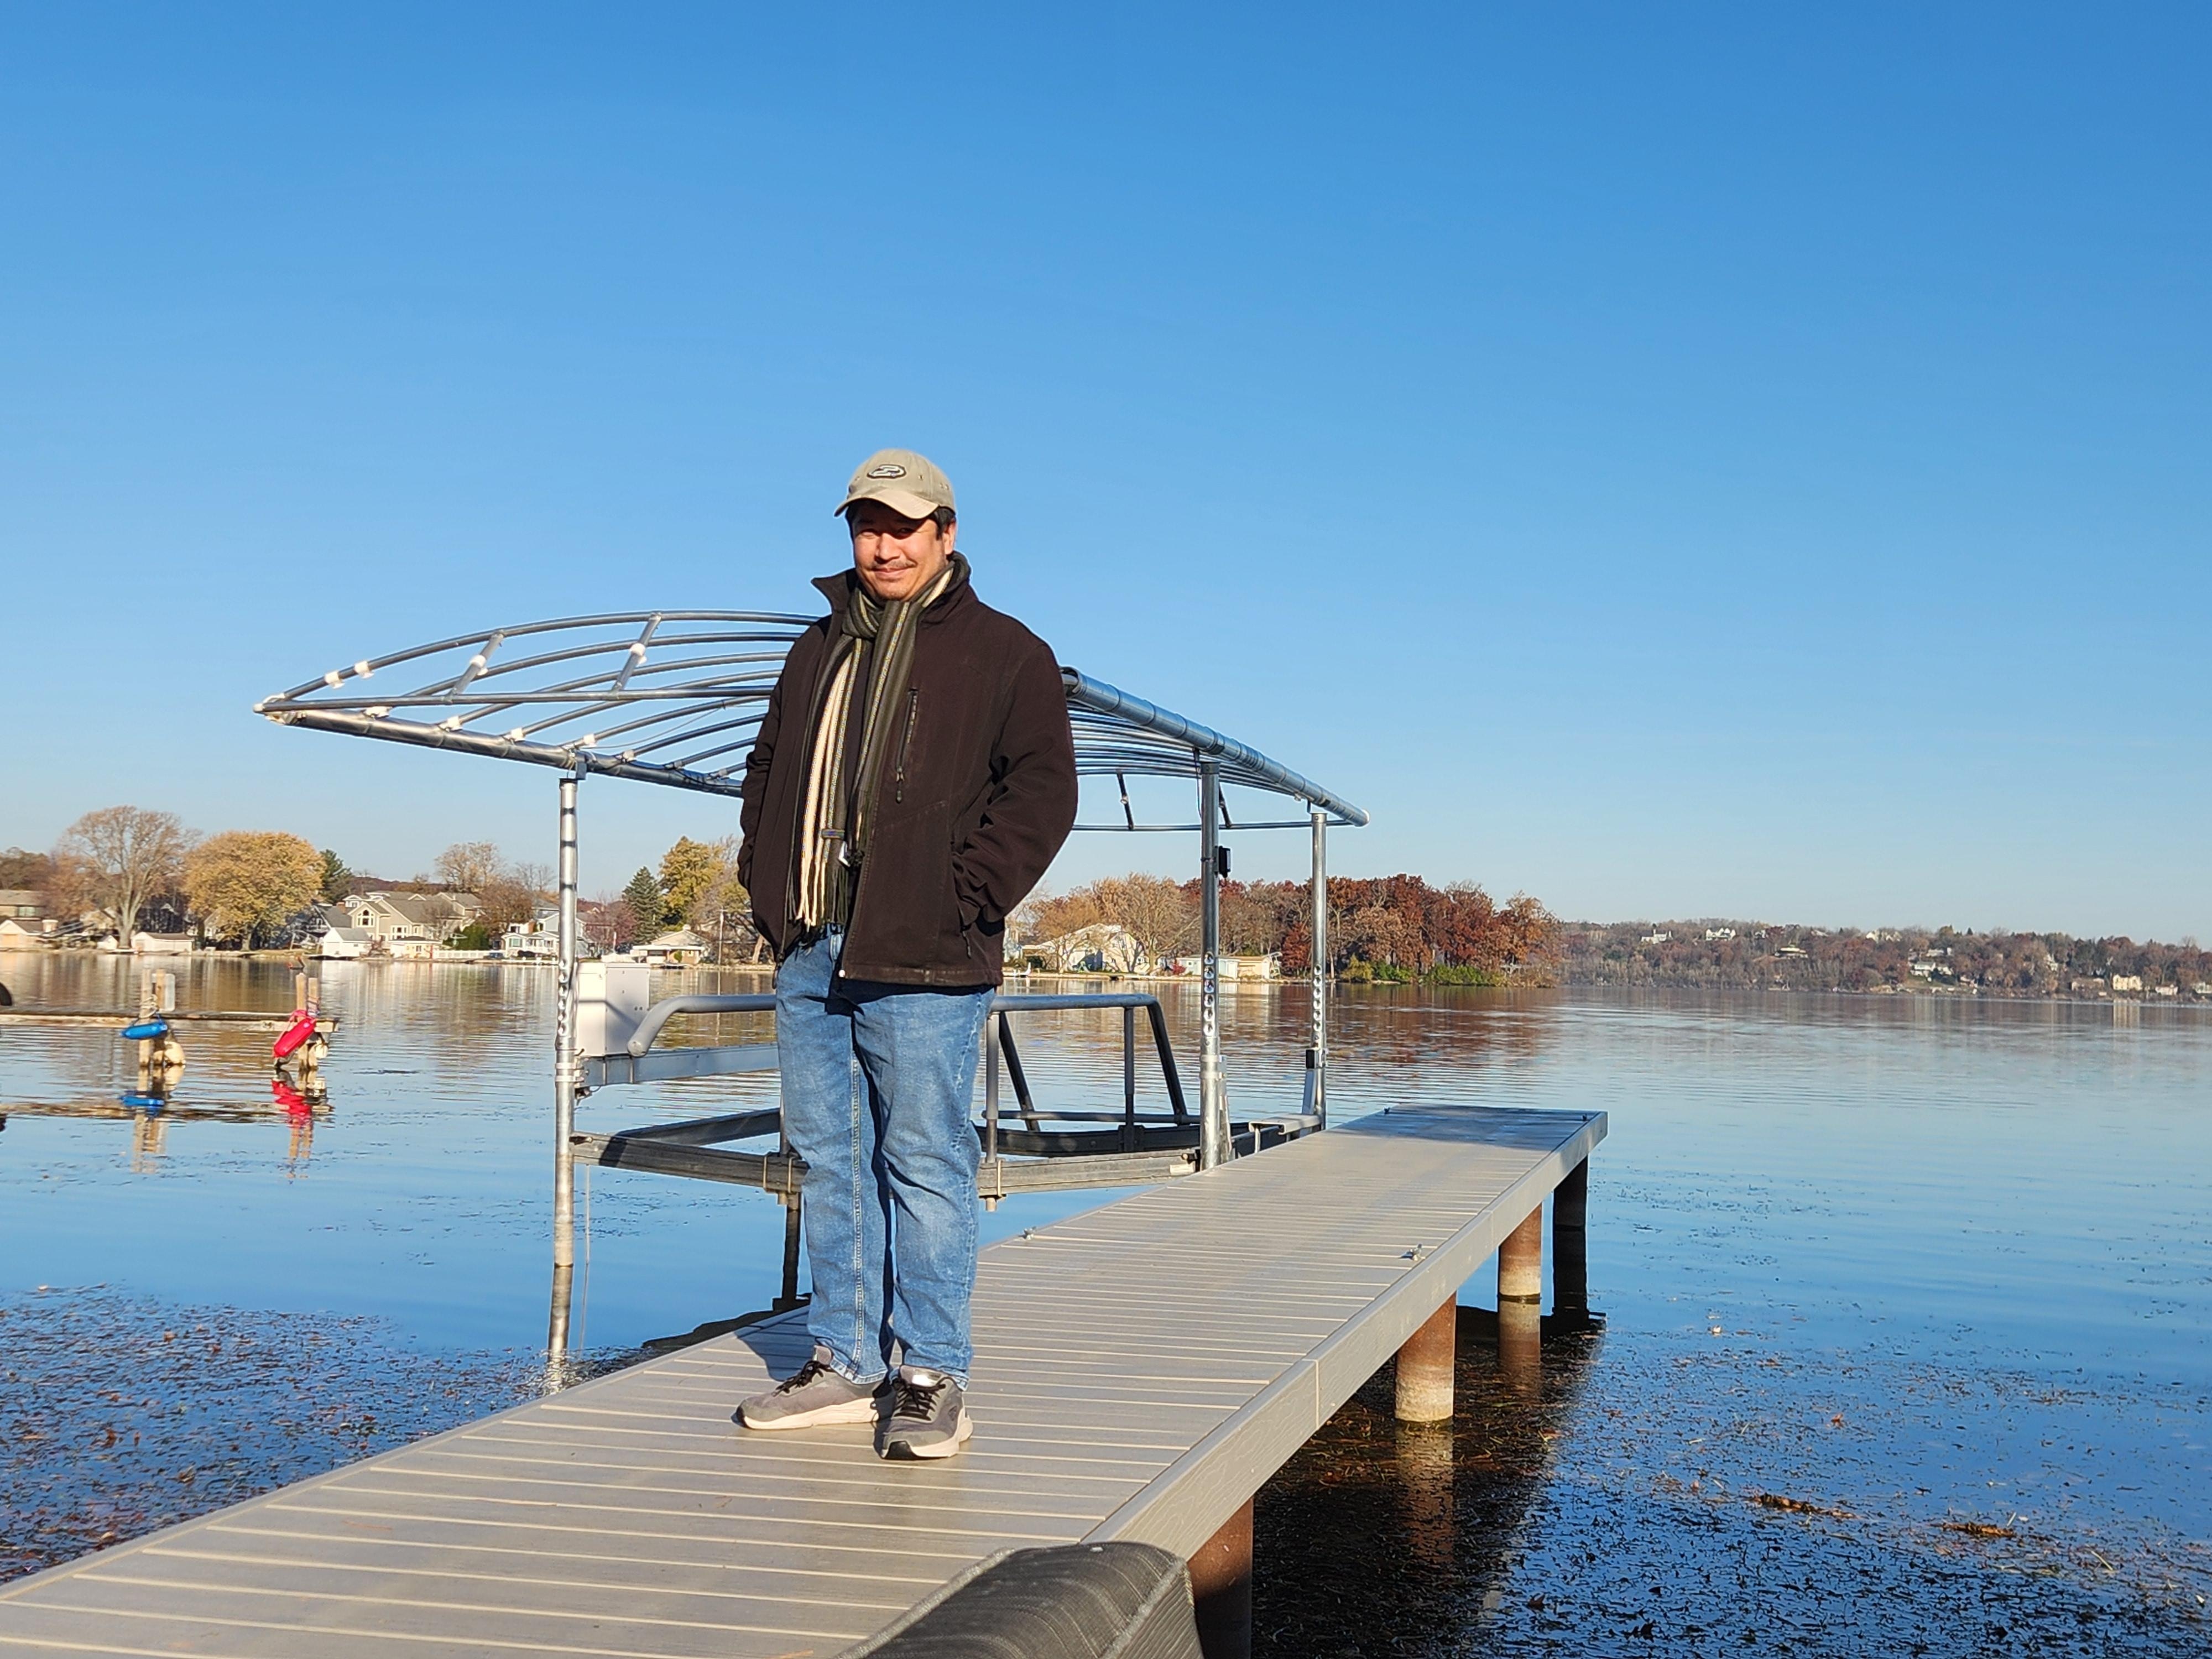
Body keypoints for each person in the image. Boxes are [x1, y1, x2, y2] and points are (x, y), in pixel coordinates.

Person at [733, 448, 1078, 1459]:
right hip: (811, 943)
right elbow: (764, 773)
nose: (881, 544)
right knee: (830, 1158)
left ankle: (928, 1371)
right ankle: (841, 1361)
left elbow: (1044, 793)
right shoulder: (815, 648)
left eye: (902, 526)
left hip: (927, 951)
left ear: (946, 534)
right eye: (865, 525)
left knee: (923, 1160)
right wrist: (766, 885)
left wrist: (963, 894)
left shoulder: (1007, 654)